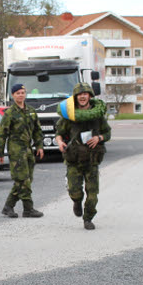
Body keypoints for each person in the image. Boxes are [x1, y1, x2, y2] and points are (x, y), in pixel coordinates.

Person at [54, 83, 109, 230]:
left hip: (92, 160)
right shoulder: (69, 116)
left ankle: (88, 218)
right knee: (75, 191)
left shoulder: (98, 115)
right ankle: (77, 202)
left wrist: (99, 138)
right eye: (80, 94)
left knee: (92, 194)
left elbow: (107, 133)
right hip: (74, 159)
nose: (83, 96)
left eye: (85, 94)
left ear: (90, 96)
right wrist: (60, 143)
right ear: (76, 97)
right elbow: (58, 133)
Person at [0, 84, 44, 218]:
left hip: (28, 149)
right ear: (13, 95)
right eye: (18, 93)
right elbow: (2, 134)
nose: (20, 95)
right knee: (23, 180)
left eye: (23, 92)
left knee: (25, 180)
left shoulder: (30, 110)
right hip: (16, 150)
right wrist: (1, 153)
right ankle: (28, 209)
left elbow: (37, 130)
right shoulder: (10, 113)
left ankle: (8, 206)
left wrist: (39, 146)